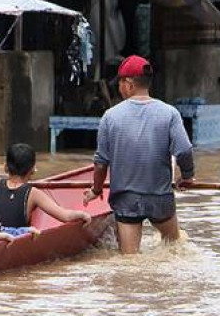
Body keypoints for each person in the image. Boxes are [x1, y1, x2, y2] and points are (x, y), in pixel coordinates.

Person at [82, 55, 195, 254]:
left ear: (129, 84)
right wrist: (187, 177)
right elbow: (184, 151)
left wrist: (97, 190)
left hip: (127, 199)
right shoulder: (169, 113)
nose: (118, 88)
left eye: (120, 83)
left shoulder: (110, 116)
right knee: (175, 246)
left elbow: (101, 163)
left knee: (130, 260)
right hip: (160, 197)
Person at [0, 143, 91, 236]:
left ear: (5, 167)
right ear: (33, 170)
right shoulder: (34, 194)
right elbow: (65, 216)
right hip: (12, 239)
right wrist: (83, 214)